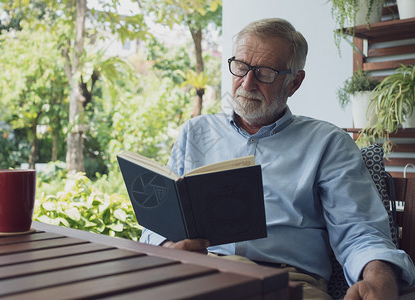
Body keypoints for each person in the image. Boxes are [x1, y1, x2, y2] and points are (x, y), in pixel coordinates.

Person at [140, 18, 415, 299]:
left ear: (294, 82)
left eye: (265, 73)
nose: (247, 83)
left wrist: (378, 278)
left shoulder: (328, 143)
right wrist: (165, 247)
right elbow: (160, 222)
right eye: (241, 67)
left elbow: (359, 231)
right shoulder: (195, 133)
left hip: (286, 283)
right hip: (198, 274)